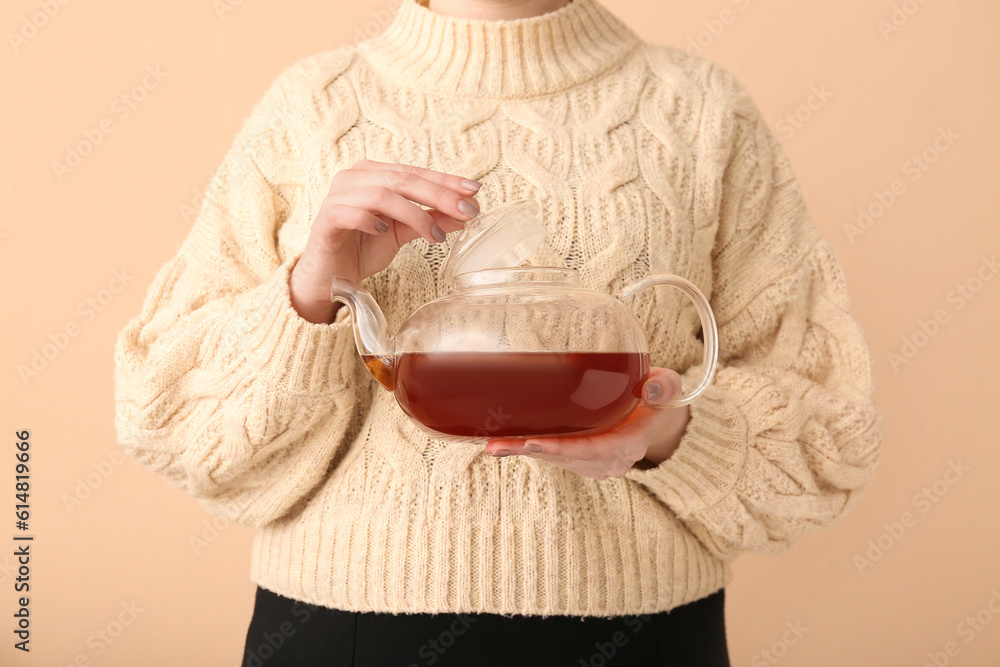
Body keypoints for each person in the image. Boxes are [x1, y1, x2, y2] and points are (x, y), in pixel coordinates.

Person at [112, 0, 884, 664]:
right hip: (340, 633)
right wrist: (309, 290)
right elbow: (172, 423)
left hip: (645, 632)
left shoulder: (704, 109)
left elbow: (828, 443)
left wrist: (666, 431)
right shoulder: (309, 106)